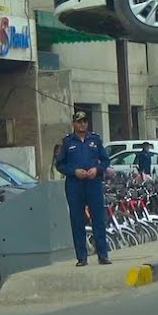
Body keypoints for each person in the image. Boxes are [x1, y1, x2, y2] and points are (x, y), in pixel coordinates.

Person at [56, 111, 112, 266]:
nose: (82, 124)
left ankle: (103, 255)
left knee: (98, 219)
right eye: (79, 122)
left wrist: (97, 169)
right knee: (77, 220)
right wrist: (73, 171)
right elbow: (59, 164)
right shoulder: (68, 142)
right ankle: (81, 257)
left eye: (85, 122)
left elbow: (105, 160)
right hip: (75, 185)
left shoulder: (95, 139)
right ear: (74, 123)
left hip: (93, 183)